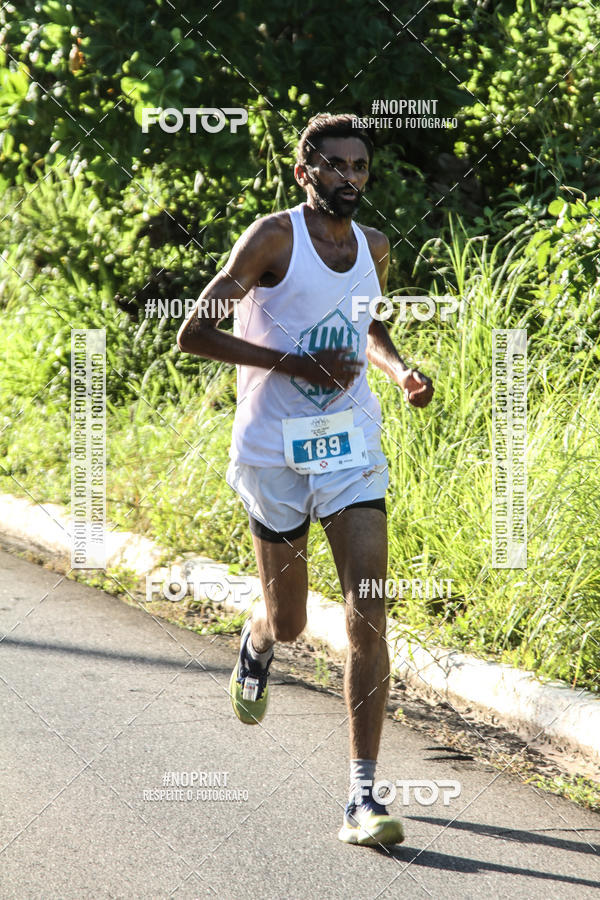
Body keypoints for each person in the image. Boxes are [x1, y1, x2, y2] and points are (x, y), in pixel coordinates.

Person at [177, 112, 434, 846]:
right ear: (305, 171)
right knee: (290, 622)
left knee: (367, 610)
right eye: (336, 166)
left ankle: (362, 798)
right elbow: (192, 333)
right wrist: (295, 366)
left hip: (350, 446)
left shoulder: (374, 246)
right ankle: (256, 643)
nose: (350, 178)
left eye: (360, 167)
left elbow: (367, 324)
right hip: (274, 451)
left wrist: (399, 369)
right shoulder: (273, 238)